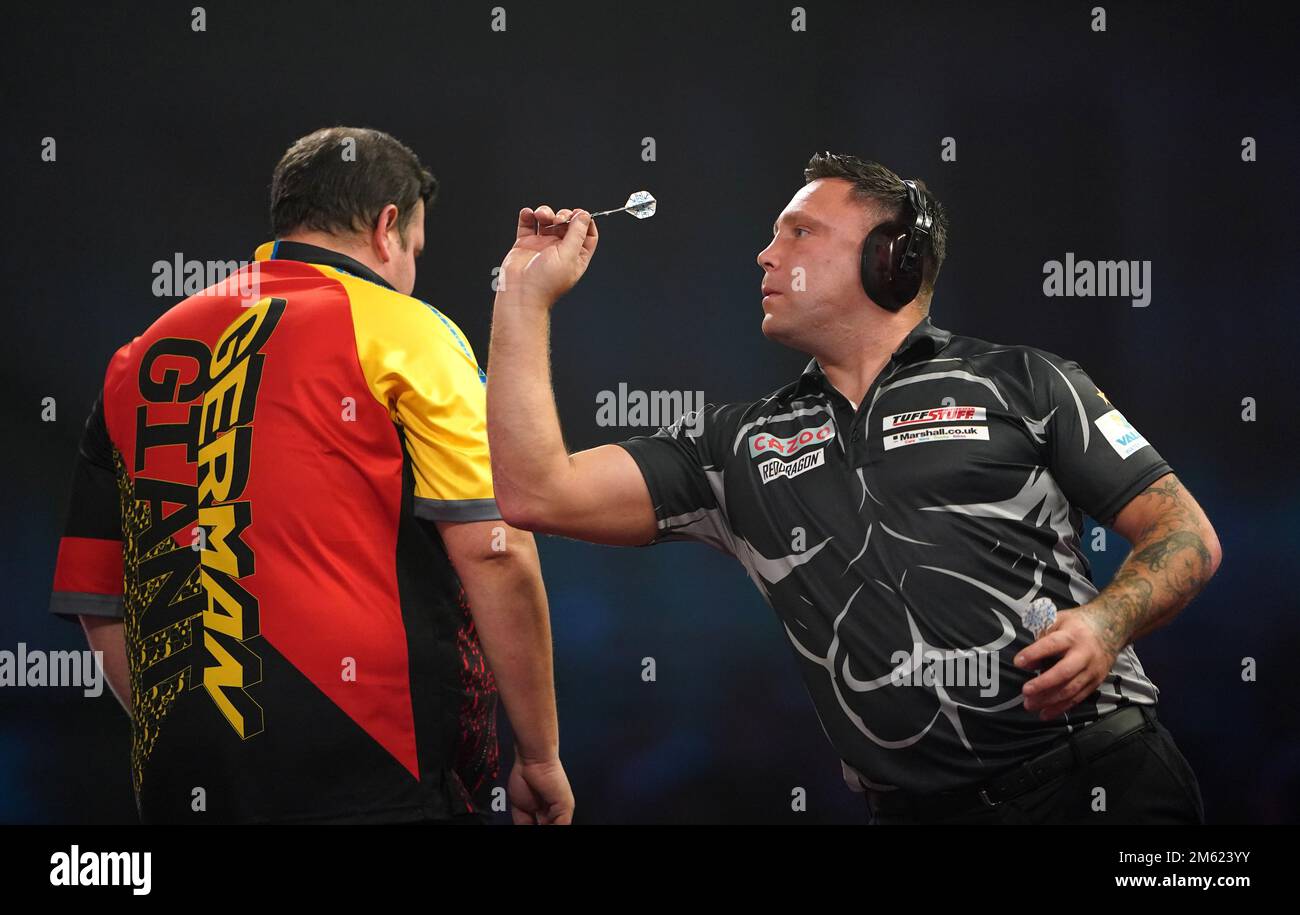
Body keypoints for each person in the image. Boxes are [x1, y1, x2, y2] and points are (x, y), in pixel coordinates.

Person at [484, 152, 1221, 824]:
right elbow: (535, 492)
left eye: (799, 234)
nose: (765, 254)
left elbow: (1185, 532)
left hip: (1108, 788)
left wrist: (1106, 622)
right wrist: (521, 297)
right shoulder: (737, 446)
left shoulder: (1023, 381)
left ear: (889, 260)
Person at [49, 126, 572, 824]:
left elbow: (98, 601)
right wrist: (539, 756)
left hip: (182, 779)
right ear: (388, 228)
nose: (412, 269)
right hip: (372, 770)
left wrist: (191, 736)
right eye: (415, 250)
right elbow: (495, 548)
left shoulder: (137, 357)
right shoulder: (407, 331)